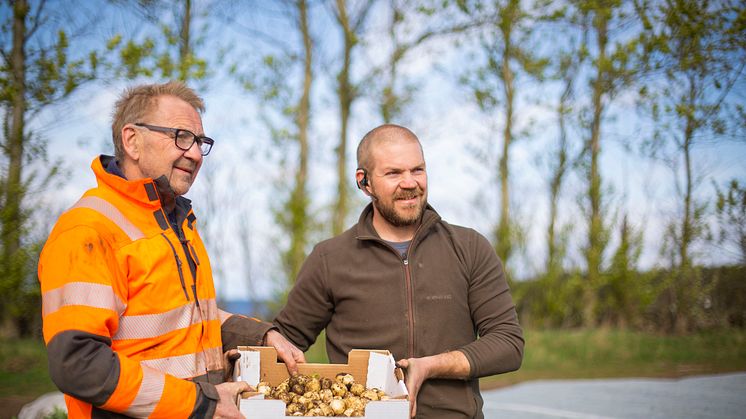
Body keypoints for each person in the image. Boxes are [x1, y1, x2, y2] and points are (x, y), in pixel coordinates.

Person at [38, 81, 304, 418]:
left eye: (200, 142)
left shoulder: (175, 223)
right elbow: (78, 363)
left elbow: (185, 317)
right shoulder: (89, 230)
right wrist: (201, 404)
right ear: (132, 140)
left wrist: (261, 335)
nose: (194, 153)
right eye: (181, 136)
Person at [274, 124, 524, 418]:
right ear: (364, 182)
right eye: (393, 173)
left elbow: (508, 343)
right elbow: (283, 344)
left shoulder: (469, 247)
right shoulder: (329, 258)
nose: (410, 183)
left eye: (417, 170)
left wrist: (431, 365)